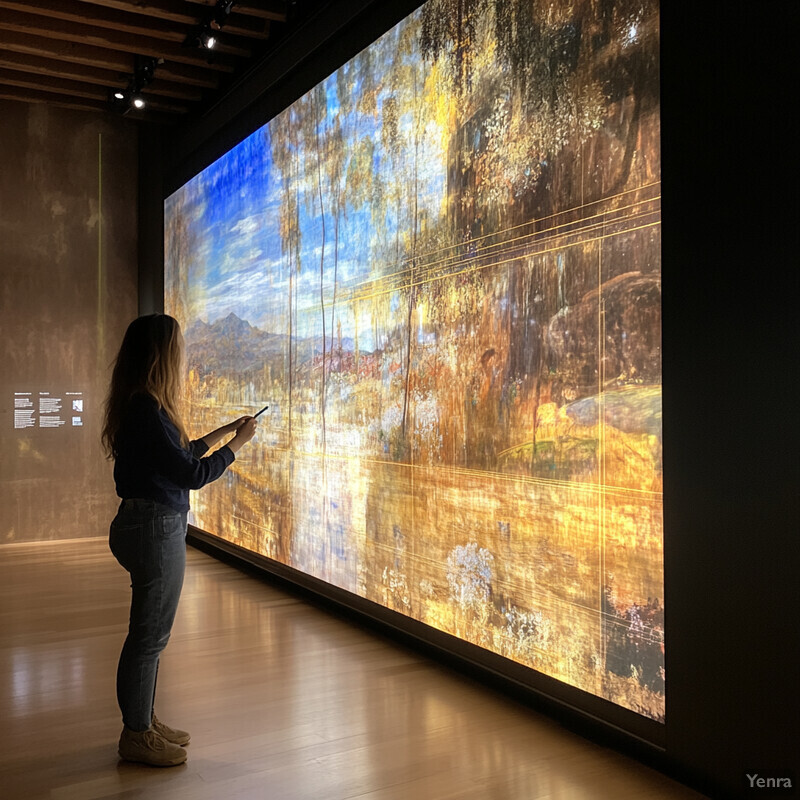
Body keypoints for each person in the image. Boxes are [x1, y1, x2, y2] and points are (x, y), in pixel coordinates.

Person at [101, 313, 257, 767]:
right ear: (162, 354)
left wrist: (225, 432)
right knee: (148, 638)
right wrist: (238, 446)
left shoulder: (139, 405)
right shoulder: (146, 410)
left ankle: (144, 719)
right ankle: (136, 733)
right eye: (179, 347)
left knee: (148, 636)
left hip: (143, 524)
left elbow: (182, 453)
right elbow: (192, 473)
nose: (183, 354)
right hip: (155, 529)